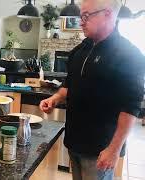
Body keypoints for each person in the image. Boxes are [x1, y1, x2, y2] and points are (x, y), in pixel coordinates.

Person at [39, 0, 145, 179]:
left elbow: (130, 108)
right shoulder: (79, 50)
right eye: (81, 16)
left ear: (108, 14)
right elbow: (68, 87)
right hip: (74, 142)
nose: (81, 21)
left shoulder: (130, 55)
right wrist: (55, 99)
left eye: (86, 16)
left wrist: (114, 149)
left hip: (100, 149)